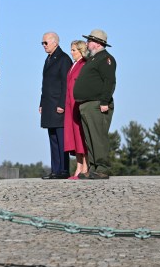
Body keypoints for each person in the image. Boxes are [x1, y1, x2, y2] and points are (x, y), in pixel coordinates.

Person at [73, 29, 117, 180]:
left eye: (89, 41)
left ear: (98, 44)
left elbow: (109, 82)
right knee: (89, 138)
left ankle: (102, 168)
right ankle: (93, 167)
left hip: (97, 104)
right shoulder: (93, 59)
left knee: (98, 137)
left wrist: (104, 101)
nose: (87, 43)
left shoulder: (105, 59)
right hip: (86, 104)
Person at [39, 31, 72, 179]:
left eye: (46, 43)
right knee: (53, 138)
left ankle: (64, 170)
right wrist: (41, 103)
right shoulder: (49, 59)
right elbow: (45, 85)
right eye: (42, 43)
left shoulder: (64, 59)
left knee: (61, 138)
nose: (44, 46)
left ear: (55, 42)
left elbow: (66, 84)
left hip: (58, 106)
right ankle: (55, 170)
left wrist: (62, 104)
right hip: (48, 105)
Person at [64, 40, 89, 180]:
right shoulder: (74, 65)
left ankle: (85, 167)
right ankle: (78, 167)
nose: (71, 52)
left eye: (74, 50)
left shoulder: (83, 64)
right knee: (73, 137)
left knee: (81, 137)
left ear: (80, 50)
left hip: (77, 104)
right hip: (70, 105)